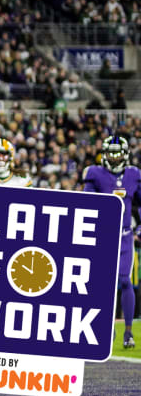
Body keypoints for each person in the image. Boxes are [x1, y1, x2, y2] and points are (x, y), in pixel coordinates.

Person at [83, 136, 139, 349]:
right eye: (110, 153)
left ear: (125, 154)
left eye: (117, 153)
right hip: (103, 234)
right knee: (103, 284)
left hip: (125, 235)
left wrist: (139, 224)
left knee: (125, 281)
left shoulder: (134, 175)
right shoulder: (95, 174)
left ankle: (127, 332)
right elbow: (86, 202)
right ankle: (107, 327)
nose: (114, 158)